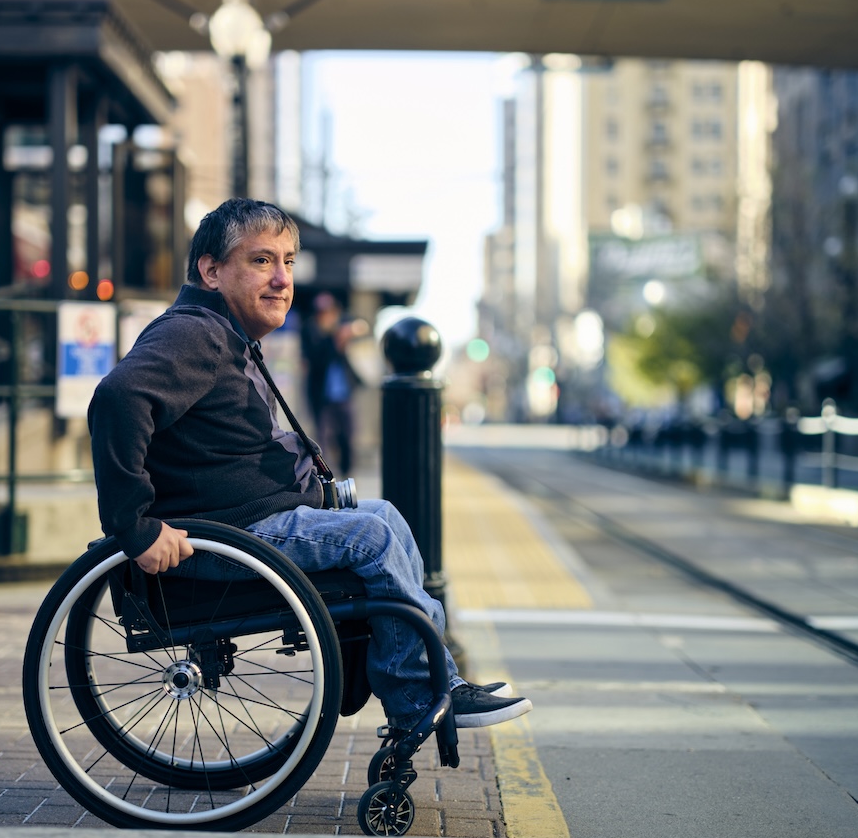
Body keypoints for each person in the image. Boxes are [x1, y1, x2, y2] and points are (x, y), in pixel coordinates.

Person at [88, 197, 531, 731]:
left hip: (244, 521)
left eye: (288, 262)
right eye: (261, 261)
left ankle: (435, 678)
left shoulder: (225, 335)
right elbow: (116, 399)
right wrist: (134, 525)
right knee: (373, 538)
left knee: (385, 516)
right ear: (210, 270)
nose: (281, 278)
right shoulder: (195, 333)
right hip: (225, 538)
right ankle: (419, 699)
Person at [302, 292, 361, 476]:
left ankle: (348, 473)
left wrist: (349, 335)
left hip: (344, 394)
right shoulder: (310, 331)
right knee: (323, 439)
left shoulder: (343, 326)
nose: (325, 316)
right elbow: (316, 360)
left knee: (348, 438)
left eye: (329, 311)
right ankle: (329, 476)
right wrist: (335, 340)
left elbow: (362, 328)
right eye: (321, 313)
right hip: (322, 396)